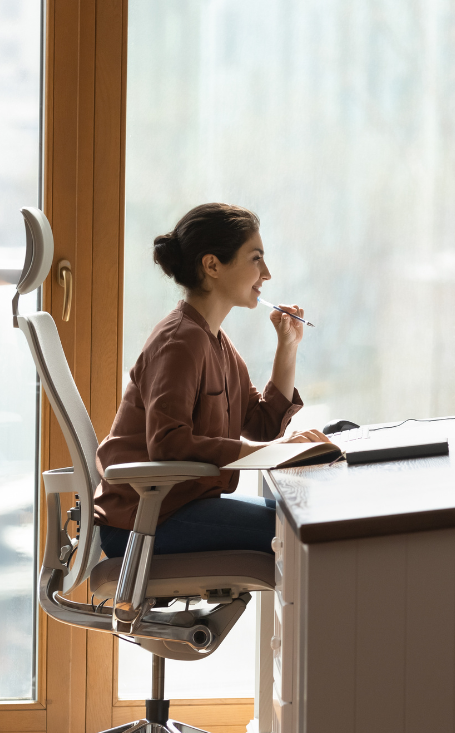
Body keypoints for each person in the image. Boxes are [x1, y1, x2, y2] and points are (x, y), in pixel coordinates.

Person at [94, 202, 330, 559]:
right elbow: (169, 444)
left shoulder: (214, 339)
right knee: (298, 531)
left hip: (175, 510)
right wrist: (272, 453)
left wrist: (288, 347)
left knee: (297, 518)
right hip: (142, 523)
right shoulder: (180, 340)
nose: (266, 273)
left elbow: (262, 425)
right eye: (255, 258)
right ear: (212, 265)